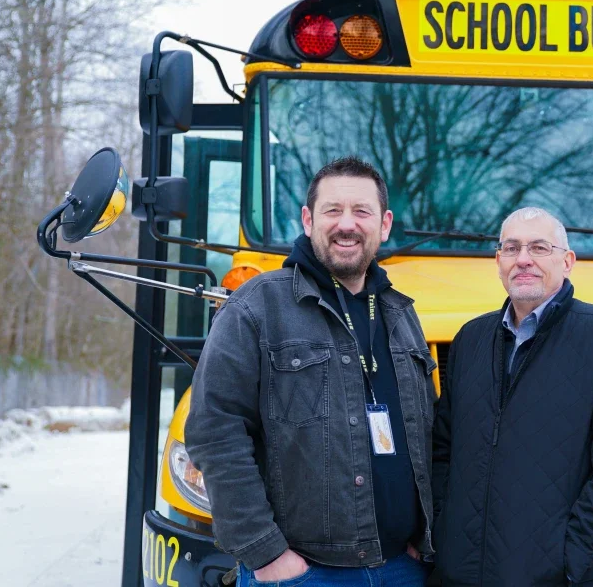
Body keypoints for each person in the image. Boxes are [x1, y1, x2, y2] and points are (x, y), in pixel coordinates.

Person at [186, 156, 437, 587]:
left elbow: (426, 434)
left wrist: (425, 534)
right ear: (308, 219)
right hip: (304, 574)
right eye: (332, 210)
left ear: (385, 224)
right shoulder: (256, 307)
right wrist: (266, 554)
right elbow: (215, 429)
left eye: (361, 211)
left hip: (403, 568)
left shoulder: (401, 313)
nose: (347, 224)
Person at [432, 207, 593, 586]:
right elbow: (442, 450)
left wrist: (570, 559)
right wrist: (445, 534)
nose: (523, 259)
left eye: (539, 247)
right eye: (511, 248)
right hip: (460, 575)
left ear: (567, 261)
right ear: (498, 260)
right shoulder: (470, 340)